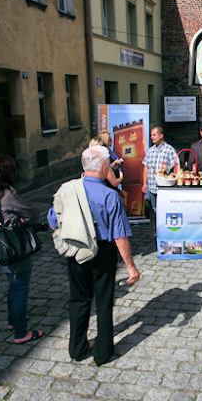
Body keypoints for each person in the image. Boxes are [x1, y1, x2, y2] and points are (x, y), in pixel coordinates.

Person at [48, 146, 141, 365]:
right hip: (102, 253)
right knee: (104, 302)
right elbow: (120, 236)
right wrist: (131, 267)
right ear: (103, 167)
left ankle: (77, 348)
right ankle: (102, 352)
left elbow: (53, 221)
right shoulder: (110, 195)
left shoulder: (66, 189)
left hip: (75, 251)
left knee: (78, 300)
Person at [0, 155, 43, 344]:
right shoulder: (7, 194)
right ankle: (21, 333)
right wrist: (19, 219)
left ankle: (12, 320)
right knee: (20, 288)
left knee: (14, 286)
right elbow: (32, 213)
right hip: (14, 247)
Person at [141, 126, 179, 215]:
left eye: (154, 135)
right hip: (151, 186)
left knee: (164, 209)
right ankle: (157, 228)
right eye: (151, 135)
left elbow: (176, 165)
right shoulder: (150, 150)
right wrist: (144, 183)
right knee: (155, 209)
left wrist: (174, 179)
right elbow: (146, 167)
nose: (152, 137)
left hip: (164, 187)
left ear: (161, 135)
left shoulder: (169, 150)